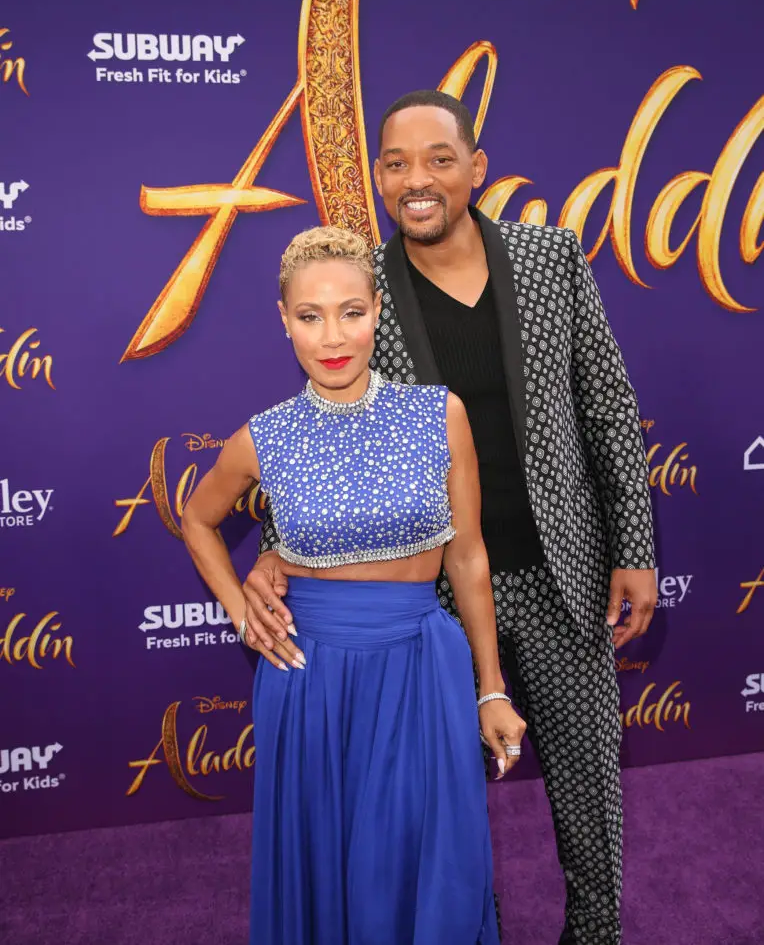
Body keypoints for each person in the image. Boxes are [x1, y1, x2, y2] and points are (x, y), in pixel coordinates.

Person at [244, 91, 657, 945]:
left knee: (591, 802)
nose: (417, 180)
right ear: (378, 178)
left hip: (562, 580)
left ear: (477, 168)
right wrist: (277, 551)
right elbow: (329, 435)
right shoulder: (362, 290)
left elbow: (609, 407)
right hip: (431, 608)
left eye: (439, 159)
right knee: (441, 822)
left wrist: (634, 547)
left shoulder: (549, 258)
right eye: (396, 164)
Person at [180, 225, 526, 945]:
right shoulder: (264, 437)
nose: (332, 336)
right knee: (326, 863)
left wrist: (490, 688)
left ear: (378, 311)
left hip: (422, 667)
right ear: (284, 320)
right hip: (311, 677)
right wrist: (241, 610)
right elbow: (198, 518)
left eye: (351, 312)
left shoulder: (440, 414)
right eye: (310, 316)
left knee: (426, 861)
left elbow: (467, 558)